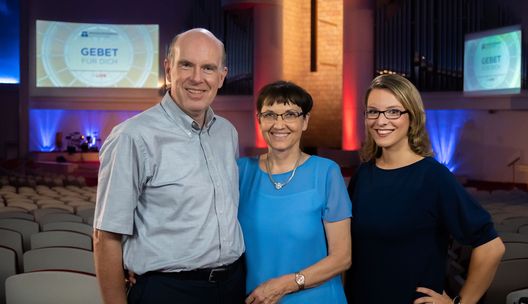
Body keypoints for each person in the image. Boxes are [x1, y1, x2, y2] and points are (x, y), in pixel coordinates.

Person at [93, 28, 245, 304]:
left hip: (232, 286)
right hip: (168, 291)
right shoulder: (132, 136)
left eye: (208, 68)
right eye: (186, 64)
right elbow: (106, 236)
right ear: (168, 69)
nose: (197, 78)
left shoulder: (227, 133)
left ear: (222, 77)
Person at [346, 74, 505, 304]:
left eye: (393, 111)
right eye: (373, 111)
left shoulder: (433, 177)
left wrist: (462, 302)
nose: (381, 121)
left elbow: (491, 247)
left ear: (412, 117)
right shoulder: (363, 175)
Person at [238, 80, 352, 304]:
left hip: (317, 299)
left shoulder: (326, 172)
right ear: (259, 120)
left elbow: (342, 258)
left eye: (290, 114)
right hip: (257, 299)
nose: (279, 124)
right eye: (270, 114)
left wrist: (284, 285)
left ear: (305, 121)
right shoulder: (240, 171)